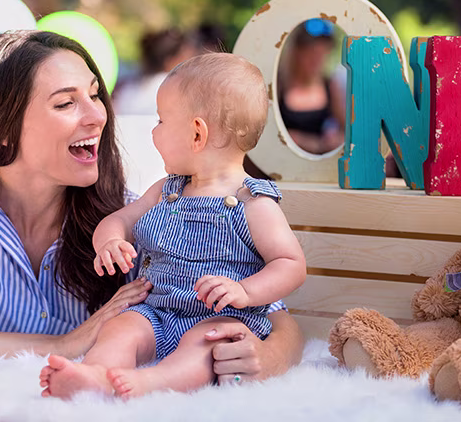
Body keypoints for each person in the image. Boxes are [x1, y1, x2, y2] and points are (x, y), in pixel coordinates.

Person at [0, 31, 303, 386]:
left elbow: (276, 316)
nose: (97, 115)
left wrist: (268, 356)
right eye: (66, 103)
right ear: (3, 129)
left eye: (94, 94)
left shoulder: (136, 217)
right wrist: (62, 345)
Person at [39, 53, 307, 399]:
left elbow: (291, 264)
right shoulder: (167, 190)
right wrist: (111, 241)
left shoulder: (254, 204)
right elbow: (121, 218)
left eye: (161, 121)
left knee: (208, 344)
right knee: (122, 328)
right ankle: (94, 375)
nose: (154, 131)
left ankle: (149, 383)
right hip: (156, 311)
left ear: (197, 134)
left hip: (220, 317)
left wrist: (245, 292)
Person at [278, 19, 346, 155]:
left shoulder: (330, 86)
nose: (316, 59)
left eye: (323, 52)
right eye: (311, 52)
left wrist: (331, 141)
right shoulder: (278, 86)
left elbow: (348, 133)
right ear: (296, 51)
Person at [112, 28, 196, 115]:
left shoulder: (126, 87)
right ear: (170, 60)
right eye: (187, 59)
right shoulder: (176, 88)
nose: (191, 65)